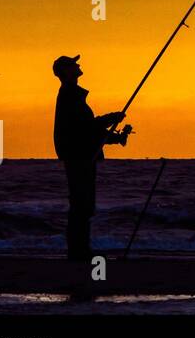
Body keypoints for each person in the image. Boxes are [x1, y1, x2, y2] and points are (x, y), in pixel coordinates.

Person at [51, 55, 133, 260]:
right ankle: (78, 252)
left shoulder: (72, 96)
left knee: (83, 205)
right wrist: (110, 118)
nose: (78, 65)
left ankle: (80, 251)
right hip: (79, 157)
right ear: (66, 71)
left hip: (81, 155)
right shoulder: (70, 96)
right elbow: (86, 129)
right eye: (73, 64)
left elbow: (87, 132)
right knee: (81, 205)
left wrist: (115, 138)